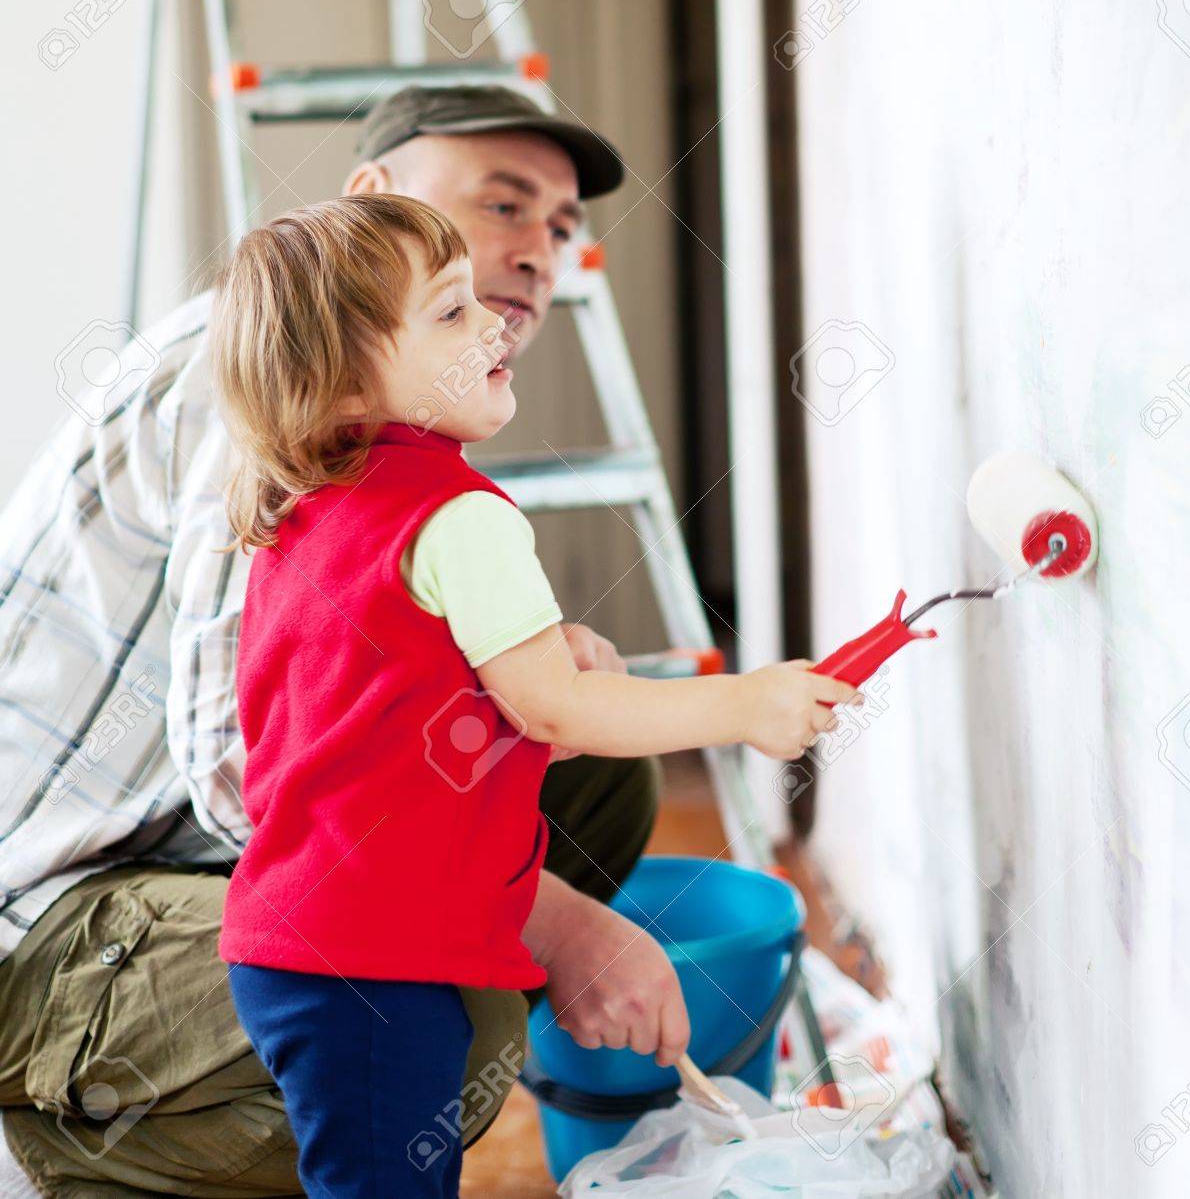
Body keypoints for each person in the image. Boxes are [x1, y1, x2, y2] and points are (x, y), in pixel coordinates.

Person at [0, 86, 718, 1196]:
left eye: (560, 229)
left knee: (593, 792)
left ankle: (337, 1102)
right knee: (418, 1007)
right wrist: (565, 927)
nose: (538, 254)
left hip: (190, 858)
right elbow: (242, 767)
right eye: (503, 204)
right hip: (52, 921)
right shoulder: (251, 370)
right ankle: (111, 1150)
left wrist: (518, 667)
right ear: (372, 199)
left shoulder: (399, 415)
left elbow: (345, 679)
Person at [208, 193, 850, 1195]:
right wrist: (744, 702)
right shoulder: (458, 516)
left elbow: (369, 732)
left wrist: (518, 710)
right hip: (373, 961)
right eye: (450, 312)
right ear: (340, 384)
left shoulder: (312, 513)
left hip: (295, 944)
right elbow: (559, 709)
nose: (496, 321)